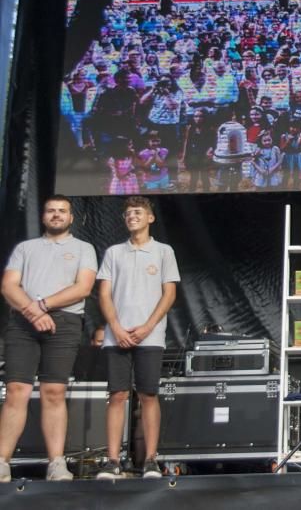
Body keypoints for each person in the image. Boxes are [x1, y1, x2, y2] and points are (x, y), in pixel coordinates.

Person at [0, 196, 98, 483]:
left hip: (64, 322)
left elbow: (83, 288)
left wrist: (41, 306)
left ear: (71, 218)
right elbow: (8, 286)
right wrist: (33, 312)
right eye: (51, 211)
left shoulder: (84, 248)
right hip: (22, 322)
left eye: (62, 212)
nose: (56, 215)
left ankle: (56, 463)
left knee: (53, 392)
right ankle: (2, 461)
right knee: (16, 390)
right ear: (43, 217)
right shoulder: (25, 248)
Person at [94, 196, 179, 480]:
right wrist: (116, 328)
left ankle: (151, 460)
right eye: (128, 213)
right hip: (116, 336)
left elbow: (169, 294)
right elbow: (104, 294)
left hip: (150, 335)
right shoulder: (113, 252)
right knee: (117, 394)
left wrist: (146, 327)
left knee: (148, 395)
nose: (132, 216)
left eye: (138, 212)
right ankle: (111, 460)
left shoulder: (164, 251)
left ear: (150, 218)